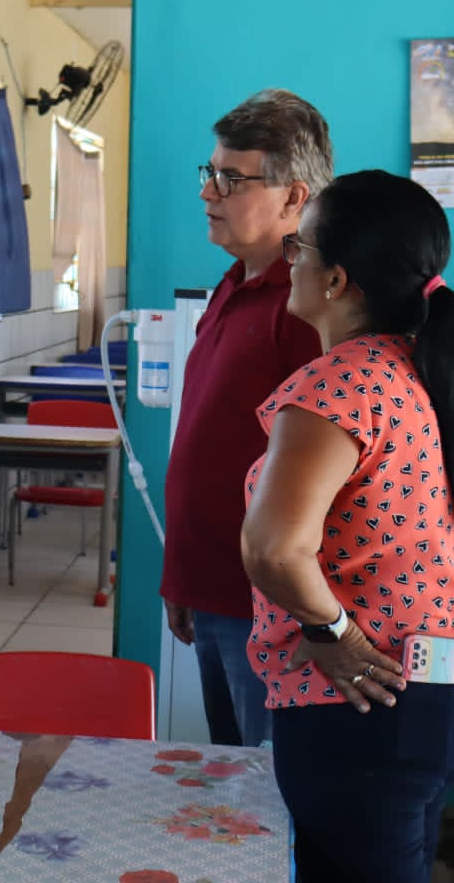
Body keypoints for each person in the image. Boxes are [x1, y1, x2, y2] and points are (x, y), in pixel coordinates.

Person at [241, 170, 454, 882]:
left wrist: (335, 635)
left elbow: (273, 549)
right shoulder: (439, 378)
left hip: (363, 693)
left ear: (335, 282)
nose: (288, 259)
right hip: (448, 683)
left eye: (299, 248)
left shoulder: (336, 387)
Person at [159, 89, 331, 747]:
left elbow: (318, 472)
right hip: (210, 589)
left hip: (268, 606)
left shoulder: (308, 303)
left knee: (268, 796)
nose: (210, 193)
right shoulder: (235, 281)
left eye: (232, 179)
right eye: (210, 174)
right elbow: (210, 442)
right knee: (230, 782)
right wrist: (181, 573)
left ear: (294, 196)